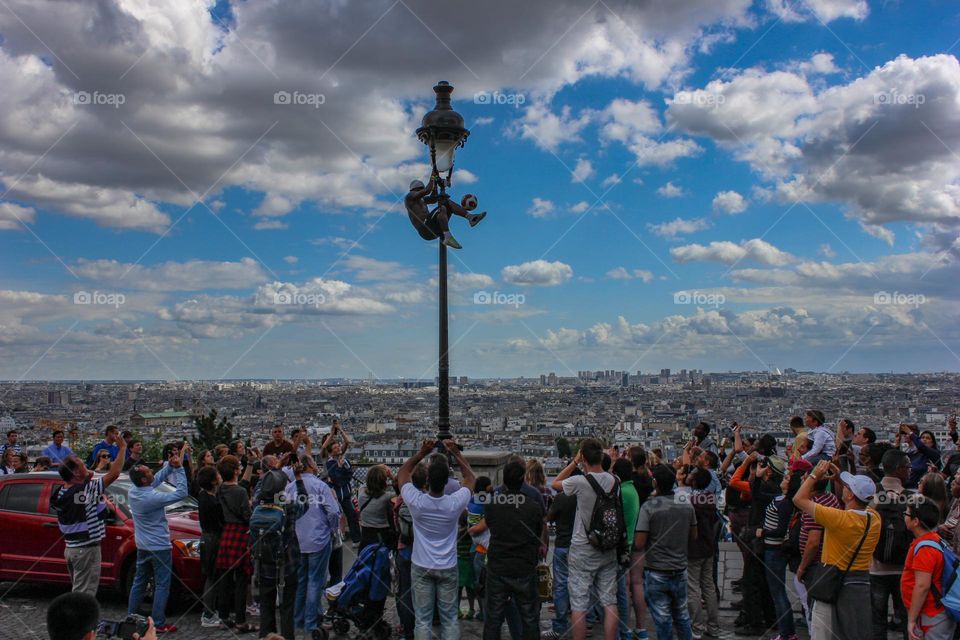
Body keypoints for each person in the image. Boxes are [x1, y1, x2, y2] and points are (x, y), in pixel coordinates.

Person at [793, 460, 881, 640]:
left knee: (824, 631)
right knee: (853, 631)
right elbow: (864, 501)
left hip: (831, 578)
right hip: (860, 581)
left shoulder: (838, 519)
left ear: (850, 495)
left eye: (847, 488)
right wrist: (840, 479)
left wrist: (815, 475)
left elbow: (798, 499)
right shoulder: (874, 519)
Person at [398, 439, 475, 640]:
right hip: (447, 565)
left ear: (427, 481)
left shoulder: (417, 502)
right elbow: (470, 478)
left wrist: (421, 453)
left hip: (421, 564)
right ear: (446, 483)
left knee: (422, 619)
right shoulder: (454, 503)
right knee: (449, 619)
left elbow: (403, 473)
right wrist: (456, 453)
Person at [550, 438, 621, 640]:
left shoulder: (579, 482)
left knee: (579, 604)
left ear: (584, 458)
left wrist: (574, 462)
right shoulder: (615, 481)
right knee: (609, 601)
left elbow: (555, 484)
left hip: (583, 545)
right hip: (607, 545)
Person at [127, 441, 189, 633]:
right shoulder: (152, 498)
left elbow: (155, 481)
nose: (152, 471)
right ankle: (159, 622)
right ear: (144, 479)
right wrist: (179, 469)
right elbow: (182, 493)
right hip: (160, 546)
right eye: (148, 471)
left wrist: (170, 466)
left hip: (142, 544)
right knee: (162, 584)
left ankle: (132, 617)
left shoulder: (134, 491)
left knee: (139, 582)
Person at [53, 437, 126, 595]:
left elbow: (86, 482)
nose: (86, 467)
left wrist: (86, 473)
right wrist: (122, 448)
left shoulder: (62, 491)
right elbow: (114, 474)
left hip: (72, 549)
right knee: (84, 595)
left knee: (78, 589)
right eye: (83, 465)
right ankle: (80, 613)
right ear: (75, 473)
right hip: (86, 550)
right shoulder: (86, 491)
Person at [481, 459, 545, 640]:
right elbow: (537, 534)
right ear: (523, 479)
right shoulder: (533, 507)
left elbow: (491, 528)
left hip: (498, 566)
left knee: (493, 617)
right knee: (529, 616)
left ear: (504, 480)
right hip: (524, 566)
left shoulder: (492, 505)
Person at [634, 464, 697, 640]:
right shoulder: (686, 504)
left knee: (663, 620)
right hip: (680, 567)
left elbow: (639, 543)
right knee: (682, 616)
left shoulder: (649, 507)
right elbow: (694, 535)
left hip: (657, 570)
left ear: (655, 482)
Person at [287, 454, 340, 637]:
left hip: (296, 540)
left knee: (301, 581)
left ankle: (299, 619)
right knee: (315, 582)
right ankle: (311, 623)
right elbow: (333, 512)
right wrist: (332, 529)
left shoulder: (290, 487)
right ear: (310, 464)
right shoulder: (320, 486)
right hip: (318, 538)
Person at [758, 463, 804, 640]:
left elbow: (780, 530)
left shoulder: (785, 504)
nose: (783, 479)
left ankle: (787, 633)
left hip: (775, 549)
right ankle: (787, 632)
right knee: (777, 592)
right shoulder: (781, 498)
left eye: (786, 478)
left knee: (778, 593)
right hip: (772, 548)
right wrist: (757, 477)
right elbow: (758, 494)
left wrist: (762, 532)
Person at [902, 499, 956, 640]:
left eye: (906, 513)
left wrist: (911, 619)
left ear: (916, 521)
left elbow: (922, 586)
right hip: (932, 614)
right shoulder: (934, 539)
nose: (904, 516)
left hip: (930, 615)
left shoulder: (925, 548)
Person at [794, 462, 840, 626]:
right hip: (828, 560)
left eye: (806, 478)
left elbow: (813, 542)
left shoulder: (813, 506)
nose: (802, 479)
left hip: (816, 564)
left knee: (815, 609)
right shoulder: (830, 497)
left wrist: (802, 567)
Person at [216, 453, 256, 633]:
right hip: (240, 533)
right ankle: (240, 620)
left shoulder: (220, 489)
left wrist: (250, 464)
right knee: (241, 579)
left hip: (227, 532)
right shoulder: (240, 492)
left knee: (225, 579)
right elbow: (247, 516)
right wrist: (251, 504)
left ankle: (223, 618)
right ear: (235, 471)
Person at [686, 469, 720, 640]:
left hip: (693, 548)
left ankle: (697, 627)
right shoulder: (710, 498)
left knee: (693, 587)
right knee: (708, 586)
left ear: (694, 481)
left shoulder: (689, 501)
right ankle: (713, 626)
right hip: (708, 546)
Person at [405, 177, 485, 250]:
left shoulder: (422, 200)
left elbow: (433, 199)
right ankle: (447, 236)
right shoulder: (409, 197)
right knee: (442, 208)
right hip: (424, 228)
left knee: (447, 204)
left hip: (432, 230)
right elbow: (427, 190)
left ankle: (470, 217)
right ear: (415, 189)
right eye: (420, 189)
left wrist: (435, 185)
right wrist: (433, 176)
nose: (422, 192)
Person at [195, 465, 224, 628]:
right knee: (212, 577)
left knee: (211, 576)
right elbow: (220, 522)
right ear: (213, 481)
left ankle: (210, 611)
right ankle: (208, 614)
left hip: (206, 537)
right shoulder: (213, 502)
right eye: (217, 475)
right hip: (213, 538)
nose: (220, 476)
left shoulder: (203, 495)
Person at [326, 421, 361, 545]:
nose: (339, 448)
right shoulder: (330, 463)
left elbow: (347, 475)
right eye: (335, 448)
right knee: (336, 516)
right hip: (335, 495)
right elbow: (337, 477)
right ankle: (336, 538)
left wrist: (340, 476)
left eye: (338, 446)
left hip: (344, 494)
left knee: (352, 516)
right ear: (331, 452)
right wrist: (341, 470)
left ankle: (356, 539)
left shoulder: (343, 461)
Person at [358, 464, 397, 550]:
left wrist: (377, 468)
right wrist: (391, 476)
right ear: (384, 482)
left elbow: (368, 481)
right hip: (382, 535)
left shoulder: (361, 493)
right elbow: (402, 490)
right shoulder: (387, 497)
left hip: (365, 534)